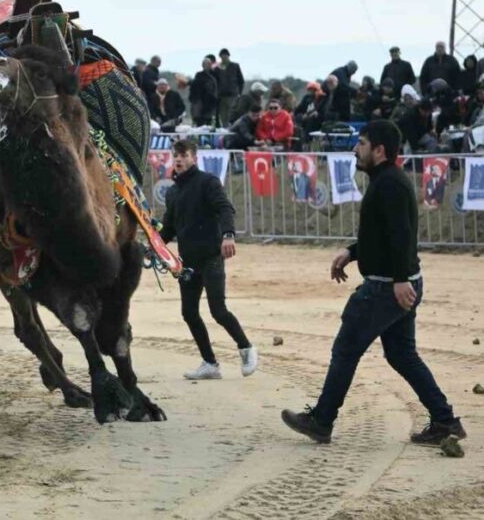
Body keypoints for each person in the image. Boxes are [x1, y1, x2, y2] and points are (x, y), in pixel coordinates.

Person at [282, 120, 465, 445]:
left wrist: (399, 280)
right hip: (398, 282)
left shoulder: (389, 185)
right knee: (401, 354)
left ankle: (322, 421)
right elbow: (382, 235)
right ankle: (445, 421)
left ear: (379, 150)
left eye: (362, 143)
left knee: (345, 349)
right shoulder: (385, 181)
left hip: (386, 287)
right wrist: (352, 252)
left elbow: (401, 236)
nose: (355, 149)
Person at [160, 140, 258, 380]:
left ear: (194, 157)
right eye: (176, 156)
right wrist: (153, 245)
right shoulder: (172, 192)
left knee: (218, 310)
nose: (179, 160)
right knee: (189, 313)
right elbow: (169, 228)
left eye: (183, 155)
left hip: (212, 256)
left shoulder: (208, 182)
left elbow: (225, 209)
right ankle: (210, 363)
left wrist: (228, 235)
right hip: (187, 262)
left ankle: (247, 348)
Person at [188, 55, 219, 126]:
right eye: (204, 64)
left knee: (210, 122)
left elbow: (215, 89)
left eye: (208, 64)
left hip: (210, 102)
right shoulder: (199, 75)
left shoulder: (214, 75)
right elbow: (194, 87)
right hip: (199, 101)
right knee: (199, 122)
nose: (206, 66)